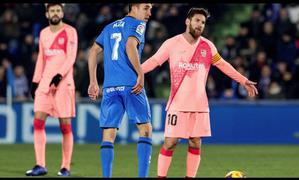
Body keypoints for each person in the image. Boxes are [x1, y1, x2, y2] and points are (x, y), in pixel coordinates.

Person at [141, 7, 258, 178]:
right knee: (170, 142)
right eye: (197, 20)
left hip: (200, 105)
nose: (200, 25)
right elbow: (154, 61)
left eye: (202, 22)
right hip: (177, 104)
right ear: (187, 21)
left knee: (195, 143)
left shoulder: (208, 46)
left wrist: (243, 80)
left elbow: (224, 65)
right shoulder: (172, 43)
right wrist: (134, 74)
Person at [87, 3, 153, 178]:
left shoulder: (109, 27)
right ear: (134, 7)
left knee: (108, 134)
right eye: (146, 8)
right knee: (145, 129)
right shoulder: (138, 25)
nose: (149, 13)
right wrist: (140, 73)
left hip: (110, 87)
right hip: (131, 85)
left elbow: (93, 51)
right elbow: (130, 45)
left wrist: (93, 81)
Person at [26, 3, 78, 177]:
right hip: (44, 83)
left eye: (58, 10)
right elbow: (41, 58)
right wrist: (35, 81)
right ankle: (40, 165)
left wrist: (59, 75)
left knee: (65, 125)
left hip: (63, 84)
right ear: (47, 14)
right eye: (52, 11)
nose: (55, 13)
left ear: (62, 13)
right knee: (38, 122)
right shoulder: (43, 33)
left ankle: (65, 167)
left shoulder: (70, 31)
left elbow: (71, 57)